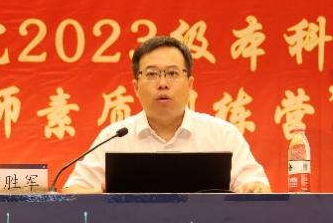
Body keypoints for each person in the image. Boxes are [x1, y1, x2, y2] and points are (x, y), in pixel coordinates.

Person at [63, 36, 271, 193]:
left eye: (172, 73)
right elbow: (73, 190)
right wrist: (100, 194)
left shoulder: (222, 135)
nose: (163, 83)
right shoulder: (114, 137)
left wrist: (253, 188)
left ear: (190, 84)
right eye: (152, 74)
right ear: (136, 87)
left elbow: (258, 186)